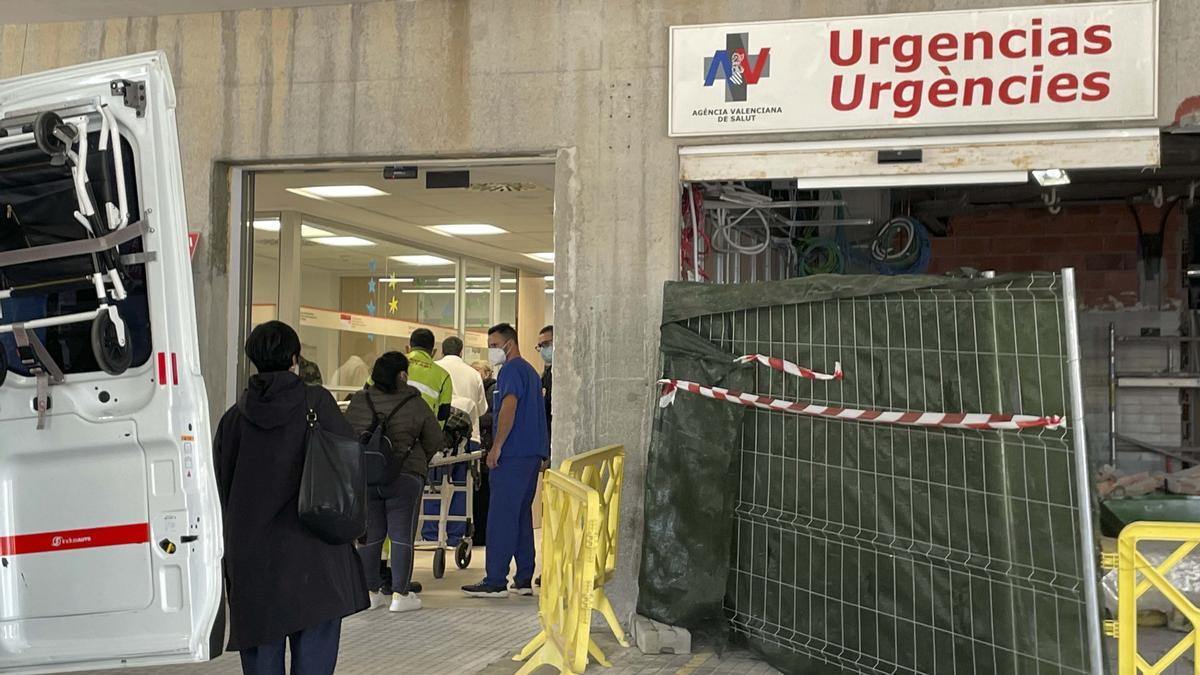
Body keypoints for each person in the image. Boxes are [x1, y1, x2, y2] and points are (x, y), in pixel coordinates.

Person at [212, 321, 368, 675]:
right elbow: (349, 463)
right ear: (295, 358)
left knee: (261, 657)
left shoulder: (233, 421)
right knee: (314, 657)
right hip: (316, 553)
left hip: (253, 562)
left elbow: (221, 487)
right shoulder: (318, 404)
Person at [343, 352, 443, 614]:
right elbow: (434, 438)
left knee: (370, 536)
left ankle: (371, 593)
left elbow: (345, 436)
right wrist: (420, 459)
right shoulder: (413, 401)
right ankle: (400, 594)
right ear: (402, 375)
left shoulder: (360, 400)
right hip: (404, 475)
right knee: (401, 535)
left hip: (366, 476)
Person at [462, 323, 548, 598]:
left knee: (501, 517)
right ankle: (523, 578)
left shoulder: (511, 371)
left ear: (509, 344)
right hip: (531, 454)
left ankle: (495, 579)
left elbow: (509, 408)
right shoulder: (531, 372)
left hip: (512, 454)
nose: (492, 351)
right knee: (521, 516)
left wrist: (496, 447)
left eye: (494, 346)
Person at [436, 336, 488, 446]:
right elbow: (482, 409)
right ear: (461, 353)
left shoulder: (434, 369)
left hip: (441, 435)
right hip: (469, 437)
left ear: (442, 352)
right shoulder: (474, 374)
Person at [471, 360, 497, 547]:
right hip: (478, 445)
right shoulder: (476, 390)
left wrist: (473, 418)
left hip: (487, 446)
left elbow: (492, 416)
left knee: (484, 495)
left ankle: (483, 534)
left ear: (486, 373)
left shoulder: (492, 389)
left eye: (478, 371)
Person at [406, 328, 453, 423]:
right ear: (434, 352)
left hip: (390, 428)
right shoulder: (444, 376)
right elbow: (443, 414)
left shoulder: (390, 361)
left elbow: (368, 388)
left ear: (407, 348)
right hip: (423, 431)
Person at [537, 325, 553, 437]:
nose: (543, 349)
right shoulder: (546, 375)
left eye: (546, 344)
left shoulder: (565, 375)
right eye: (540, 346)